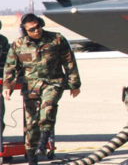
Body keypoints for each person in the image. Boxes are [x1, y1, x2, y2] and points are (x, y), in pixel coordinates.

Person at [3, 13, 81, 165]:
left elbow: (69, 62)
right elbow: (10, 67)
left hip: (53, 82)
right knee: (31, 123)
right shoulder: (18, 45)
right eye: (32, 29)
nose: (36, 31)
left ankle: (44, 138)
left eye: (38, 27)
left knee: (48, 105)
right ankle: (32, 156)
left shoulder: (56, 39)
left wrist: (75, 84)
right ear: (25, 31)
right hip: (31, 86)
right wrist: (8, 86)